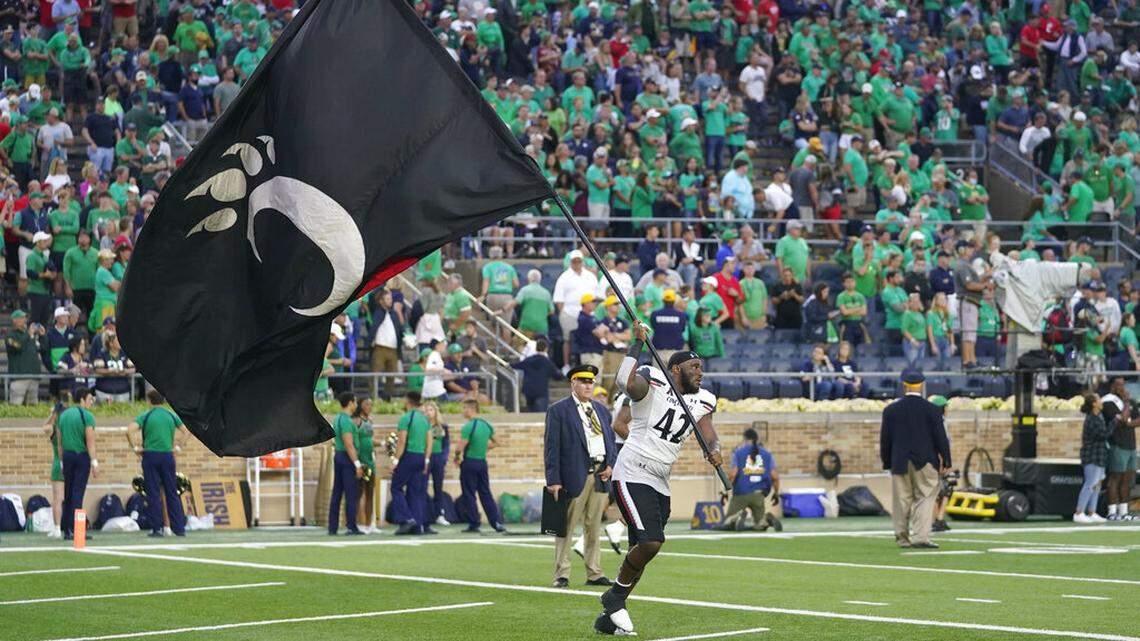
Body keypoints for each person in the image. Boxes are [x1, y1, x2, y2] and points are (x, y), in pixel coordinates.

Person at [599, 331, 722, 636]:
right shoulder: (652, 381)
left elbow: (707, 431)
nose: (700, 373)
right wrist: (637, 342)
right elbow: (623, 383)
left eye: (702, 369)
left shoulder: (704, 399)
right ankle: (613, 597)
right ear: (676, 369)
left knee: (639, 553)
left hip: (661, 479)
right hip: (633, 471)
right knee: (651, 542)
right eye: (694, 368)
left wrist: (715, 450)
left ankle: (607, 618)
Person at [544, 364, 616, 588]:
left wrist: (610, 464)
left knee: (593, 527)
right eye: (583, 381)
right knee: (565, 526)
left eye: (590, 381)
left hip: (600, 475)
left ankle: (595, 572)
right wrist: (553, 480)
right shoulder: (558, 410)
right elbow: (551, 447)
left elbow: (610, 442)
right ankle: (562, 573)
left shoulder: (602, 410)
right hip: (573, 475)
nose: (587, 385)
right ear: (572, 383)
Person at [879, 370, 951, 549]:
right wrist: (947, 461)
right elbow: (941, 438)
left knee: (902, 499)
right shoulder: (932, 410)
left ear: (904, 385)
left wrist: (887, 461)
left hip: (900, 461)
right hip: (926, 460)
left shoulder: (890, 410)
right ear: (922, 385)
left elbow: (885, 439)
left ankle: (902, 538)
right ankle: (921, 536)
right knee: (925, 497)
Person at [126, 390, 189, 537]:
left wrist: (135, 447)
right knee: (172, 492)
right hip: (167, 456)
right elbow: (186, 431)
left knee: (153, 493)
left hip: (150, 456)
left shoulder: (146, 416)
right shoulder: (170, 415)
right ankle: (179, 528)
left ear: (149, 401)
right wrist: (178, 447)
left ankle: (157, 528)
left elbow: (129, 430)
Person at [454, 399, 506, 533]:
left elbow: (461, 446)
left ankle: (474, 523)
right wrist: (483, 448)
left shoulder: (468, 426)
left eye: (464, 408)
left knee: (469, 493)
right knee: (485, 493)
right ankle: (496, 522)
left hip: (470, 462)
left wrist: (456, 456)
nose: (463, 411)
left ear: (471, 409)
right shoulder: (486, 425)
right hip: (482, 463)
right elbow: (498, 442)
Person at [718, 428, 780, 531]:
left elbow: (733, 474)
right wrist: (776, 493)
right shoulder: (768, 455)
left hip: (741, 494)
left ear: (745, 439)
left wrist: (725, 491)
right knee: (759, 526)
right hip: (759, 495)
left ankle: (737, 517)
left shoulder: (738, 453)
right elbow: (775, 477)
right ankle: (766, 519)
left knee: (727, 524)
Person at [391, 392, 435, 535]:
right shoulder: (425, 419)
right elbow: (430, 442)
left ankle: (407, 518)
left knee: (396, 487)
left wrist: (395, 460)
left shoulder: (406, 418)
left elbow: (402, 441)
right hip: (421, 457)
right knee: (415, 492)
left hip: (408, 456)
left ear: (408, 401)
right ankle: (418, 526)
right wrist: (427, 459)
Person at [59, 386, 97, 541]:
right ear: (82, 400)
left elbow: (59, 442)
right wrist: (94, 462)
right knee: (77, 493)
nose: (91, 402)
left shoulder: (64, 415)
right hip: (81, 456)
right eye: (89, 399)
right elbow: (90, 441)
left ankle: (66, 529)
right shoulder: (87, 416)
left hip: (67, 456)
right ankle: (77, 530)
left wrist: (61, 461)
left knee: (68, 493)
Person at [327, 392, 364, 536]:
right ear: (350, 403)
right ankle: (351, 526)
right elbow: (349, 443)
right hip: (347, 458)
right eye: (354, 402)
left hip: (339, 456)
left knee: (337, 492)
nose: (356, 404)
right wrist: (357, 464)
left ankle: (333, 526)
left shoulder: (337, 418)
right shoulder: (347, 421)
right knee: (351, 494)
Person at [1074, 393, 1111, 523]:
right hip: (1092, 455)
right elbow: (1102, 435)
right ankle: (1079, 512)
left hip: (1100, 454)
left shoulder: (1099, 416)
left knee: (1097, 484)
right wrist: (1114, 424)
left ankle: (1092, 512)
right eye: (1099, 399)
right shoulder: (1091, 419)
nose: (1101, 401)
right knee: (1090, 483)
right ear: (1094, 404)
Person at [511, 338, 561, 412]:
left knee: (531, 412)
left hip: (528, 390)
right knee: (541, 414)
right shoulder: (547, 362)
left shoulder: (528, 360)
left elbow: (516, 365)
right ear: (546, 349)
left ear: (536, 348)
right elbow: (557, 375)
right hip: (541, 391)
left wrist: (507, 364)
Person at [6, 310, 44, 405]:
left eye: (25, 318)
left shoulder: (30, 336)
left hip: (34, 376)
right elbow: (18, 346)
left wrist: (43, 336)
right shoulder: (10, 336)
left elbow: (42, 349)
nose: (25, 320)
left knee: (33, 407)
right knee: (16, 406)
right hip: (19, 377)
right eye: (22, 318)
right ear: (14, 320)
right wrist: (29, 334)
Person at [423, 400, 451, 527]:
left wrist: (444, 458)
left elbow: (446, 444)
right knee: (422, 486)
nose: (429, 412)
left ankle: (440, 514)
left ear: (435, 411)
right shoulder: (423, 425)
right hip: (426, 458)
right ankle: (424, 514)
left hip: (438, 459)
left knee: (438, 487)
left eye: (431, 410)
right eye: (426, 410)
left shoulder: (442, 426)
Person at [42, 401, 67, 538]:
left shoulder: (55, 426)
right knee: (71, 497)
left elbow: (45, 427)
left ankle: (57, 528)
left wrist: (53, 414)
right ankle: (71, 526)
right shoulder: (69, 427)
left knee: (57, 498)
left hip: (59, 463)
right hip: (71, 463)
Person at [353, 397, 377, 533]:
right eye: (367, 404)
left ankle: (370, 524)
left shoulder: (370, 421)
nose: (369, 406)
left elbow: (370, 441)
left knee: (370, 493)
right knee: (358, 494)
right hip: (361, 462)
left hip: (370, 461)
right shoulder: (356, 421)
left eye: (371, 404)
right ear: (360, 405)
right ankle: (356, 523)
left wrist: (384, 444)